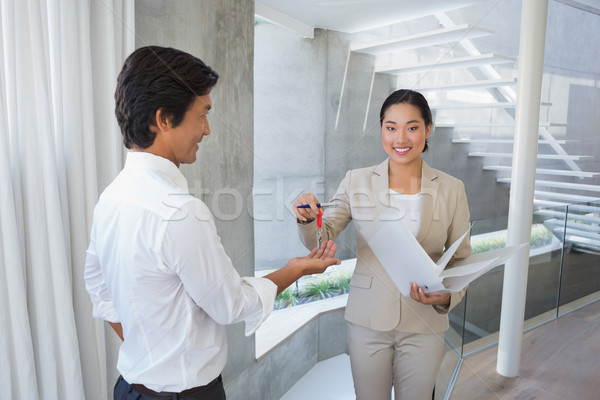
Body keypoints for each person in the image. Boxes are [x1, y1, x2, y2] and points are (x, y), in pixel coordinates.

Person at [84, 46, 340, 400]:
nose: (206, 130)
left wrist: (148, 350)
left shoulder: (110, 197)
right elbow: (231, 305)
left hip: (129, 390)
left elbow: (98, 286)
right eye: (202, 114)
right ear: (163, 119)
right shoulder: (180, 212)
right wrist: (295, 270)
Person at [293, 89, 471, 400]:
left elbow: (461, 259)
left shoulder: (452, 189)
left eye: (412, 127)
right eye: (391, 127)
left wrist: (448, 296)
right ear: (381, 130)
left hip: (425, 322)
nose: (400, 138)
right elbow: (325, 233)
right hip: (368, 320)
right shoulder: (356, 181)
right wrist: (310, 219)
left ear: (428, 129)